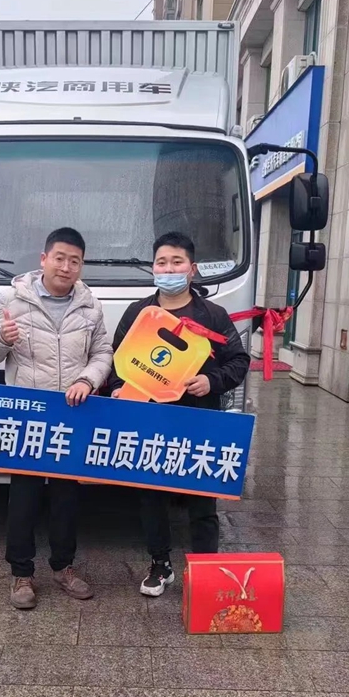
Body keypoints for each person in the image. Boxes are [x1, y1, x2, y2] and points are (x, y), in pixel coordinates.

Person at [109, 232, 250, 597]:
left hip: (198, 419)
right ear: (153, 268)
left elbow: (239, 361)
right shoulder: (139, 314)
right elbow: (117, 360)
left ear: (192, 269)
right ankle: (160, 565)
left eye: (176, 262)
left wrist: (211, 380)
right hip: (150, 421)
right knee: (151, 496)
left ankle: (205, 571)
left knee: (202, 498)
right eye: (161, 263)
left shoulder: (212, 316)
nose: (168, 269)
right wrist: (118, 388)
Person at [0, 227, 113, 610]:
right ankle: (22, 573)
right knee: (23, 496)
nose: (66, 267)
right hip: (28, 418)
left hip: (71, 417)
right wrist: (2, 338)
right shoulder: (11, 299)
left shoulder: (90, 307)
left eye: (75, 261)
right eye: (60, 258)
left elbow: (103, 352)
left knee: (66, 497)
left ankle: (63, 567)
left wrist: (88, 380)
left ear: (81, 266)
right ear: (44, 259)